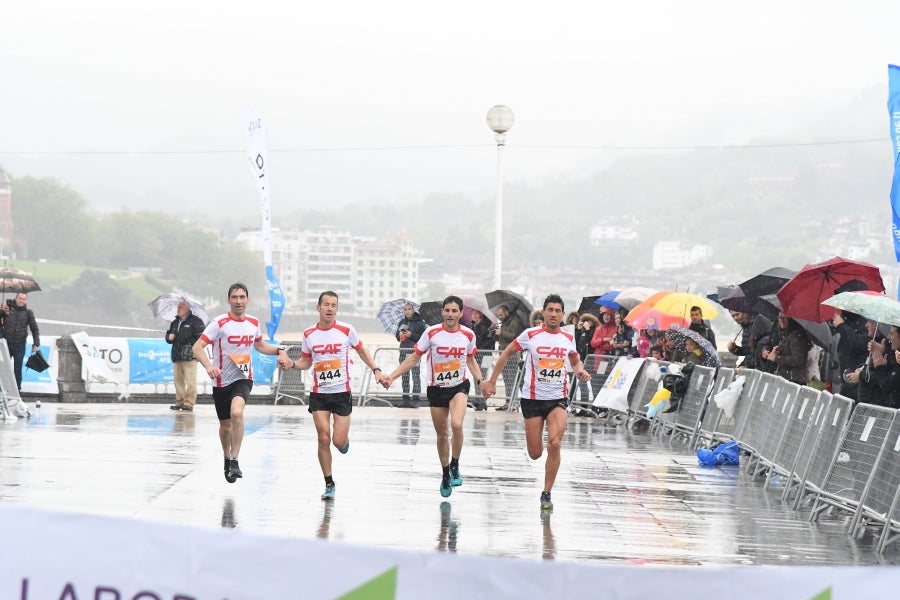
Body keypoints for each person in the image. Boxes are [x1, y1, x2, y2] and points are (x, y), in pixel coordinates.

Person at [481, 294, 591, 512]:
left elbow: (575, 359)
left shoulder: (567, 338)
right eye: (549, 310)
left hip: (557, 398)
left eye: (557, 310)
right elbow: (506, 354)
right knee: (535, 453)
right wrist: (492, 381)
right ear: (543, 312)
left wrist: (579, 371)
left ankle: (547, 492)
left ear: (561, 314)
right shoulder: (530, 335)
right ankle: (539, 443)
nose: (553, 314)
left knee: (556, 444)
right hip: (532, 398)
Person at [284, 291, 386, 500]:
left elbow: (362, 351)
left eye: (334, 305)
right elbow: (306, 362)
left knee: (338, 442)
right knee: (323, 438)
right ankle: (329, 483)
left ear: (337, 309)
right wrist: (292, 364)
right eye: (326, 305)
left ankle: (343, 442)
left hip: (341, 392)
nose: (330, 309)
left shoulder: (346, 330)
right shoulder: (309, 334)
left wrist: (376, 369)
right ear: (318, 308)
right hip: (319, 393)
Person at [385, 295, 483, 498]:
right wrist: (392, 376)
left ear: (460, 313)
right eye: (447, 310)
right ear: (442, 312)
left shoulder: (468, 334)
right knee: (442, 435)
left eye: (454, 311)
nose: (450, 314)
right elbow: (413, 358)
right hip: (436, 388)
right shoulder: (431, 333)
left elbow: (471, 360)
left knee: (456, 424)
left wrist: (482, 382)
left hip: (459, 386)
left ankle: (455, 464)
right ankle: (445, 472)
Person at [193, 283, 291, 483]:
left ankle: (235, 459)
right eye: (234, 297)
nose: (238, 301)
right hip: (221, 381)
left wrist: (279, 350)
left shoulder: (253, 322)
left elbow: (260, 345)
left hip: (243, 377)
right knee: (225, 426)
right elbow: (197, 347)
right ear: (229, 300)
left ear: (247, 300)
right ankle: (226, 457)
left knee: (237, 412)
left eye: (242, 297)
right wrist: (208, 366)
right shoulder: (219, 323)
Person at [165, 300, 205, 411]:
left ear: (188, 309)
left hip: (189, 356)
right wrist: (169, 337)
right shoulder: (175, 322)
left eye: (181, 307)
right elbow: (168, 336)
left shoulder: (196, 321)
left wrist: (195, 349)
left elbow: (202, 337)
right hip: (177, 355)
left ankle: (189, 402)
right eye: (178, 307)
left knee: (190, 380)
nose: (178, 309)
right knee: (178, 380)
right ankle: (179, 402)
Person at [0, 292, 40, 391]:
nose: (21, 300)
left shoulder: (28, 313)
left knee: (17, 370)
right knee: (3, 369)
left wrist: (36, 343)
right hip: (6, 344)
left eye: (23, 299)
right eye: (20, 298)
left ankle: (17, 391)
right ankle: (2, 391)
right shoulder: (7, 310)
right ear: (16, 298)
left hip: (20, 345)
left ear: (26, 300)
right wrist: (1, 312)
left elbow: (34, 329)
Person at [761, 312, 812, 385]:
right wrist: (777, 352)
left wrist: (776, 358)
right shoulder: (786, 334)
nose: (782, 320)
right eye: (780, 317)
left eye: (785, 318)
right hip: (789, 379)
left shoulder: (796, 336)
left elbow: (798, 359)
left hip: (793, 381)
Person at [493, 303, 526, 410]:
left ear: (506, 312)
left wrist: (501, 332)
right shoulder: (505, 322)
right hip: (503, 353)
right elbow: (502, 339)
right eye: (498, 315)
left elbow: (513, 336)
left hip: (512, 354)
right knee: (507, 379)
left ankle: (514, 402)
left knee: (512, 378)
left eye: (501, 314)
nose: (499, 317)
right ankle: (508, 401)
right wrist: (495, 334)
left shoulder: (514, 320)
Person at [395, 302, 427, 408]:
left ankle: (416, 400)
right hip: (403, 351)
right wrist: (399, 335)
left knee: (415, 375)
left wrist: (411, 335)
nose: (407, 311)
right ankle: (406, 399)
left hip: (414, 353)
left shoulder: (420, 323)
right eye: (405, 309)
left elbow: (423, 339)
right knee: (404, 376)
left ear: (413, 310)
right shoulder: (401, 322)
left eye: (409, 309)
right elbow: (397, 336)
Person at [469, 308, 496, 411]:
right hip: (478, 356)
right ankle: (478, 399)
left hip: (486, 356)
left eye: (476, 313)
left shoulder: (485, 326)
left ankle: (482, 401)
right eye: (472, 313)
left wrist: (477, 347)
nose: (474, 315)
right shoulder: (473, 326)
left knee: (482, 378)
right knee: (477, 378)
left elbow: (487, 341)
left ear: (480, 315)